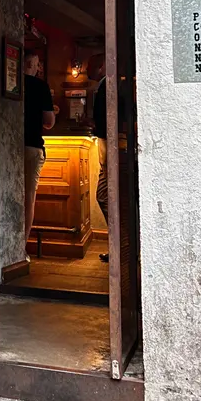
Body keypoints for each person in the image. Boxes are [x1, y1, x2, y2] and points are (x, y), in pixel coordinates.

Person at [23, 50, 55, 252]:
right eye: (37, 64)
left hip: (8, 147)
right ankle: (20, 248)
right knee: (28, 199)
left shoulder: (7, 83)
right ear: (30, 64)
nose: (38, 68)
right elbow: (49, 122)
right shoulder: (40, 86)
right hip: (32, 146)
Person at [88, 54, 109, 262]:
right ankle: (120, 245)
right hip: (109, 143)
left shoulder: (106, 86)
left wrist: (95, 127)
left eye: (91, 66)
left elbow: (104, 119)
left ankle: (121, 245)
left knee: (105, 195)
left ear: (102, 66)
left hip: (109, 145)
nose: (87, 70)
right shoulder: (106, 85)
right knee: (105, 196)